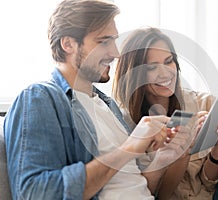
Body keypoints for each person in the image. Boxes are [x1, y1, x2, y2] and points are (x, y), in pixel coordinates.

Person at [3, 1, 194, 199]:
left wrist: (164, 157)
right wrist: (129, 148)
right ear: (68, 44)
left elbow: (134, 186)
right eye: (104, 42)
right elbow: (34, 193)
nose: (115, 53)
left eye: (114, 41)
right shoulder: (39, 98)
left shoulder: (108, 106)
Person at [112, 27, 218, 200]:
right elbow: (158, 195)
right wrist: (182, 152)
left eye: (169, 61)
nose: (165, 73)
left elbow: (209, 183)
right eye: (152, 67)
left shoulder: (204, 103)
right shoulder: (126, 124)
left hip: (215, 196)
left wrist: (217, 147)